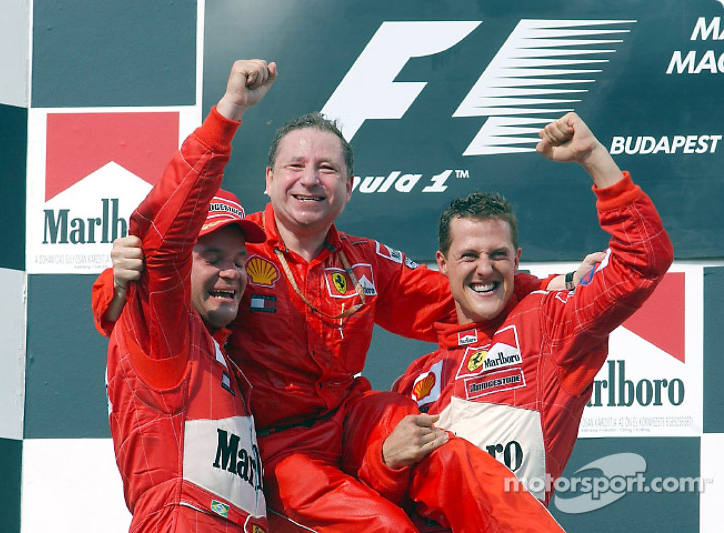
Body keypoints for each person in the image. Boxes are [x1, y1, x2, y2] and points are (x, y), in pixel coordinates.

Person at [94, 61, 571, 531]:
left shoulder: (363, 260)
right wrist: (113, 283)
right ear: (267, 179)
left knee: (443, 450)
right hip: (280, 447)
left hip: (351, 420)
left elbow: (458, 294)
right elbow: (157, 278)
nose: (310, 179)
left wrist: (554, 285)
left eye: (327, 168)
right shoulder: (234, 249)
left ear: (349, 187)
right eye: (295, 166)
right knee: (384, 528)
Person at [393, 112, 673, 504]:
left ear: (518, 258)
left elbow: (644, 258)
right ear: (442, 263)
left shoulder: (549, 325)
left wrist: (592, 156)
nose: (485, 268)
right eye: (469, 255)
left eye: (499, 255)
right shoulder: (415, 379)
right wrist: (385, 461)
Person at [105, 59, 276, 532]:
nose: (232, 272)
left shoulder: (224, 356)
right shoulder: (165, 330)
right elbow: (164, 235)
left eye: (241, 262)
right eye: (214, 256)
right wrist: (229, 113)